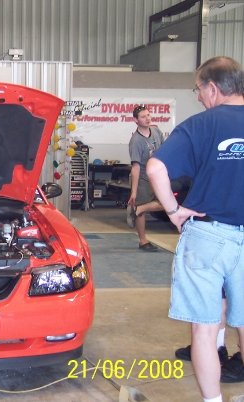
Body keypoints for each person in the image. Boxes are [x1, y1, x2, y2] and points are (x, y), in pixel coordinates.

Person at [147, 56, 244, 401]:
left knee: (204, 330)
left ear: (213, 88)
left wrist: (173, 211)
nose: (199, 97)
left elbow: (155, 168)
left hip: (208, 236)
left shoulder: (201, 125)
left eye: (199, 89)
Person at [126, 105, 165, 251]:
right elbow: (135, 167)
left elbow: (164, 152)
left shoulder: (156, 132)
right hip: (143, 178)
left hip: (157, 175)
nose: (147, 118)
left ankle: (139, 208)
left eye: (148, 115)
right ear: (136, 120)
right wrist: (134, 192)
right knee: (141, 211)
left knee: (166, 203)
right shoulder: (136, 141)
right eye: (143, 117)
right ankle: (143, 241)